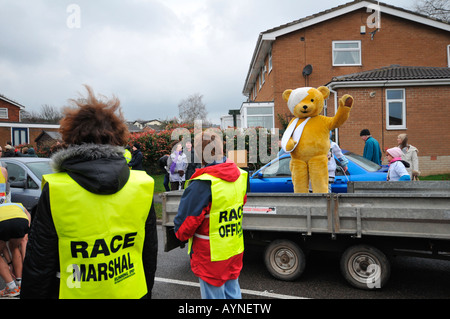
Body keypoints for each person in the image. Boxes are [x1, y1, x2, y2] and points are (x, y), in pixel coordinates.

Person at [21, 85, 157, 299]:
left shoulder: (58, 189)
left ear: (71, 138)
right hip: (130, 291)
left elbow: (39, 263)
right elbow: (148, 255)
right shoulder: (141, 185)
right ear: (118, 137)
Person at [173, 132, 248, 299]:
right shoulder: (240, 175)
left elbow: (185, 227)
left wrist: (178, 234)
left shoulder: (203, 183)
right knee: (233, 293)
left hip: (211, 256)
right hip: (234, 250)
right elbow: (240, 203)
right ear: (221, 149)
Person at [0, 203, 31, 297]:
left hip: (2, 223)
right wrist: (10, 263)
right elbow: (28, 217)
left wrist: (9, 265)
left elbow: (3, 246)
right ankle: (20, 282)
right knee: (14, 247)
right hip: (21, 221)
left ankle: (12, 287)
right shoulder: (19, 205)